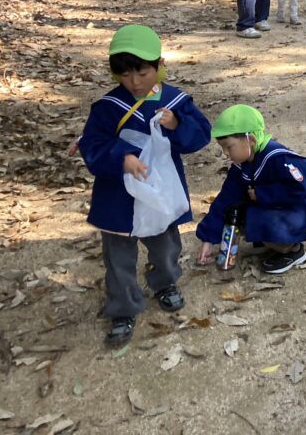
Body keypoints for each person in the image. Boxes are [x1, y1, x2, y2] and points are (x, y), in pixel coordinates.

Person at [77, 25, 211, 347]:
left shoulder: (175, 101)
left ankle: (165, 283)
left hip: (158, 192)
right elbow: (92, 143)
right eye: (125, 75)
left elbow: (200, 135)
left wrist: (177, 124)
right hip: (118, 196)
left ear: (159, 65)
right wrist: (120, 158)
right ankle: (123, 307)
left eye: (142, 72)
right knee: (118, 256)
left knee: (165, 246)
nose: (135, 82)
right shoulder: (108, 106)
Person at [196, 105, 306, 275]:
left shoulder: (279, 158)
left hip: (300, 211)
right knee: (236, 212)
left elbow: (299, 188)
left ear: (251, 140)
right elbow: (226, 198)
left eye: (228, 147)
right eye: (222, 147)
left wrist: (262, 194)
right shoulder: (242, 164)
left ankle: (293, 250)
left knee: (255, 218)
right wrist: (208, 238)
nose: (225, 153)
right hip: (277, 207)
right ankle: (273, 239)